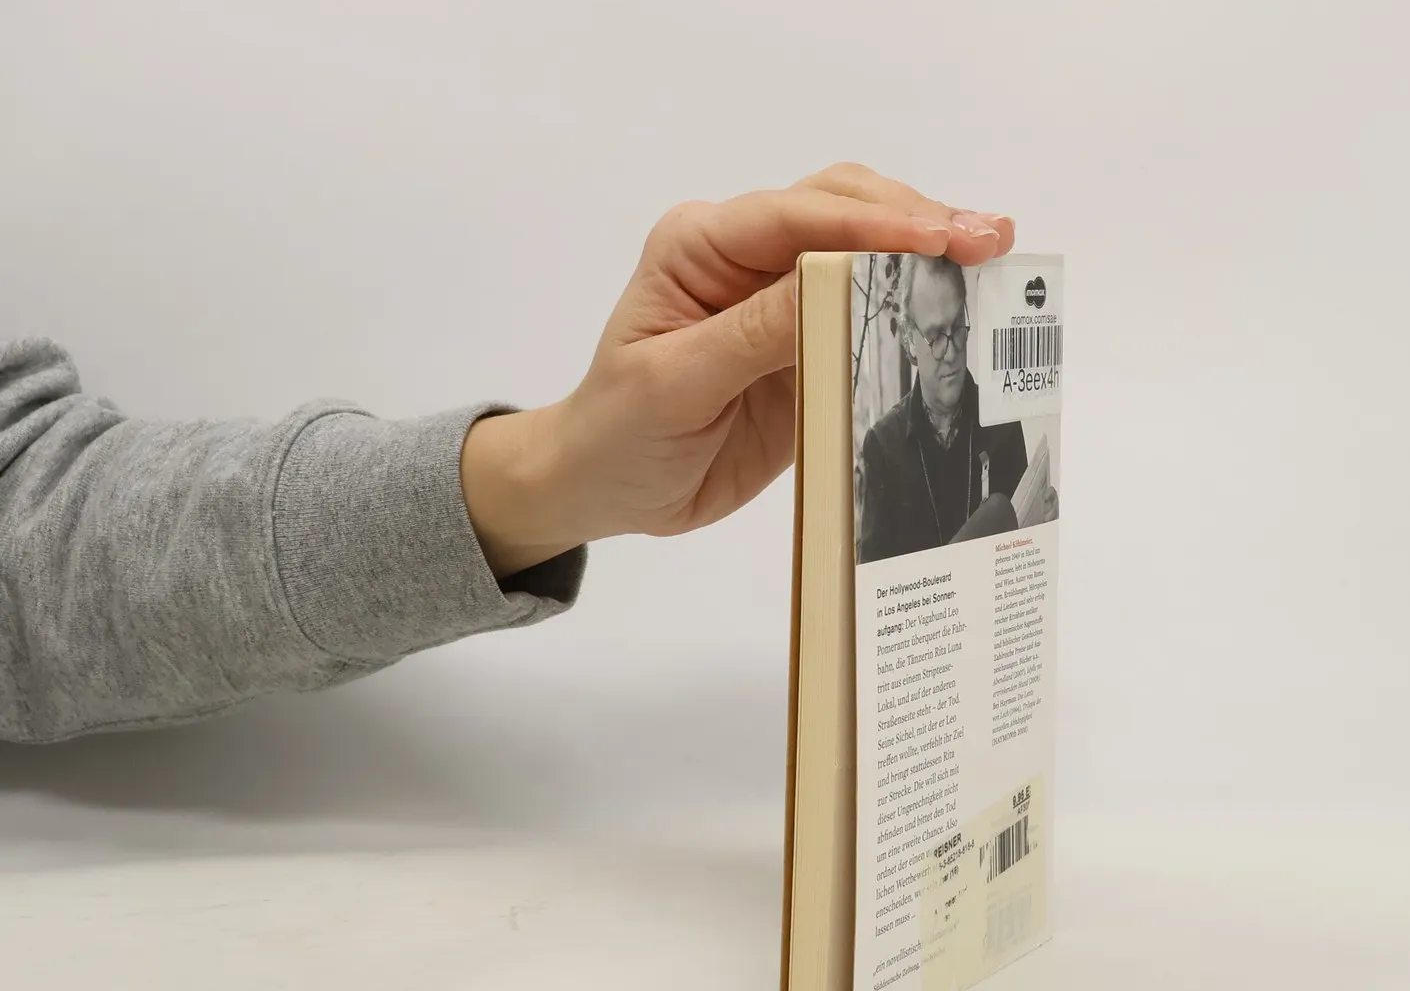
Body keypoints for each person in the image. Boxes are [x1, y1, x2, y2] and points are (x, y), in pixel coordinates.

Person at [0, 165, 1014, 744]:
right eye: (924, 333)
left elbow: (31, 526)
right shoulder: (887, 447)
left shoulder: (986, 433)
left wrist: (555, 472)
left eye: (953, 334)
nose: (941, 352)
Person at [856, 253, 1056, 564]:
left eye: (958, 327)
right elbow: (873, 581)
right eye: (935, 336)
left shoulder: (1001, 423)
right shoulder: (882, 447)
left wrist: (1046, 529)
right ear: (909, 340)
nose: (950, 352)